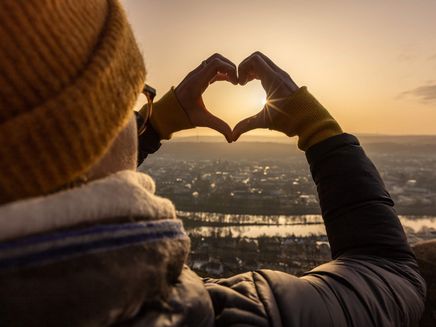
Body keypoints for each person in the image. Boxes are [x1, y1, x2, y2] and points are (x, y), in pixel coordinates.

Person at [0, 0, 426, 326]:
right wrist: (318, 129)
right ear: (98, 129)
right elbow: (388, 273)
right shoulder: (234, 316)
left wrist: (154, 124)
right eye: (131, 101)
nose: (139, 117)